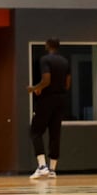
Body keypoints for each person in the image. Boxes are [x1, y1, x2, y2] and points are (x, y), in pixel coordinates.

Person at [28, 39, 71, 179]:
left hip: (47, 99)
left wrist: (34, 88)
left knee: (35, 131)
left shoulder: (45, 60)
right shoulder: (65, 61)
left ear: (47, 46)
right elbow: (67, 83)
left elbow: (46, 80)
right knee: (55, 132)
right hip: (61, 100)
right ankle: (52, 169)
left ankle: (42, 166)